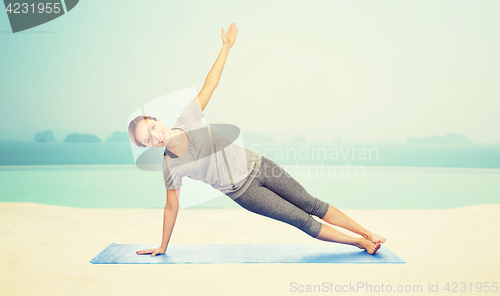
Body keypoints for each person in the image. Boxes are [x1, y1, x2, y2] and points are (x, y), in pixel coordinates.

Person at [128, 23, 386, 257]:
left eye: (151, 127)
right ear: (148, 146)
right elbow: (171, 207)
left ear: (157, 120)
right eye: (147, 139)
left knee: (311, 203)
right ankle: (359, 243)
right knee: (302, 220)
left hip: (260, 165)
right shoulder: (170, 167)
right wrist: (163, 245)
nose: (154, 134)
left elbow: (210, 85)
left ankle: (367, 233)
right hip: (245, 192)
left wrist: (226, 48)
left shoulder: (188, 117)